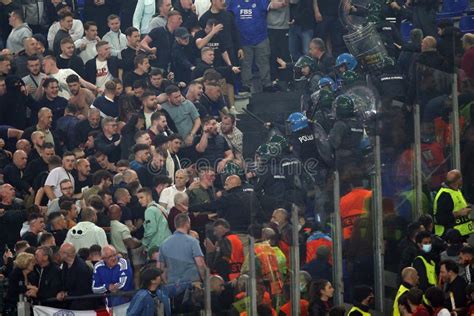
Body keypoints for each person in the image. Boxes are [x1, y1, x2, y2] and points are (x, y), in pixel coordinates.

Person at [158, 213, 206, 286]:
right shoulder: (193, 242)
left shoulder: (164, 244)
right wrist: (205, 280)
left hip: (172, 285)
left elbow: (161, 268)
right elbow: (200, 263)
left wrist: (166, 283)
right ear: (187, 224)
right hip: (192, 284)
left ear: (175, 225)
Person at [433, 169, 473, 237]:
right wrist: (459, 213)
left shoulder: (457, 190)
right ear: (458, 180)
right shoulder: (444, 195)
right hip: (449, 236)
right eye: (461, 178)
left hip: (460, 235)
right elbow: (440, 218)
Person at [57, 243, 96, 310]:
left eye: (60, 252)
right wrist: (62, 292)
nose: (58, 253)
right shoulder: (65, 264)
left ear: (66, 254)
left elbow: (83, 289)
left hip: (83, 305)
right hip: (71, 302)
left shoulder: (81, 268)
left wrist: (66, 294)